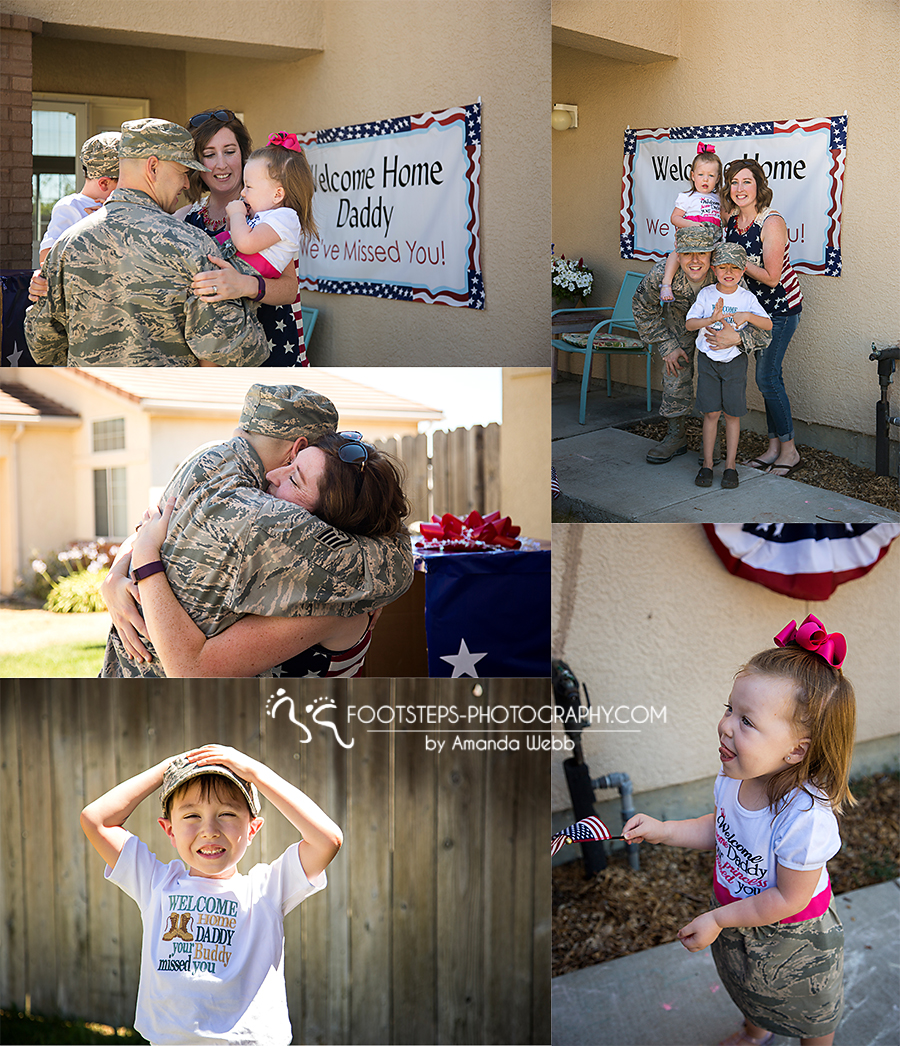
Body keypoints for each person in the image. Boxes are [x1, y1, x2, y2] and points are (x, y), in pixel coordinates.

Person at [623, 614, 854, 1046]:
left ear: (795, 751)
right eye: (731, 709)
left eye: (747, 721)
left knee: (811, 1011)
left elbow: (789, 897)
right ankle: (754, 1031)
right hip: (734, 914)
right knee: (748, 987)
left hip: (792, 937)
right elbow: (722, 828)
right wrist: (664, 830)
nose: (727, 724)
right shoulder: (733, 777)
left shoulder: (804, 817)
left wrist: (718, 918)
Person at [100, 384, 413, 678]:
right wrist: (117, 572)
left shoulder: (335, 593)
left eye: (295, 477)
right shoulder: (289, 549)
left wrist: (144, 558)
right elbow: (158, 522)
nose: (274, 475)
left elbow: (192, 670)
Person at [80, 743, 342, 1045]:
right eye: (191, 816)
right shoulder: (156, 882)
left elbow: (328, 839)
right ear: (169, 830)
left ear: (253, 828)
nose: (210, 830)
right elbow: (95, 820)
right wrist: (168, 769)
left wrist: (255, 772)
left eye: (227, 814)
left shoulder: (266, 889)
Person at [24, 118, 270, 367]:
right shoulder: (191, 244)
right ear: (153, 167)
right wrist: (245, 297)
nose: (186, 184)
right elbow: (238, 351)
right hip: (164, 403)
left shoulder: (67, 245)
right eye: (183, 172)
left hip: (89, 402)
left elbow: (42, 347)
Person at [631, 224, 772, 465]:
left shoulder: (724, 275)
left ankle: (712, 444)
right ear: (678, 254)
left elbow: (758, 323)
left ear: (712, 255)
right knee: (675, 374)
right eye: (687, 254)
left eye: (702, 254)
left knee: (717, 384)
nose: (695, 261)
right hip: (678, 327)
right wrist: (666, 345)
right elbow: (642, 308)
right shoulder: (661, 274)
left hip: (718, 333)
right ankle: (676, 436)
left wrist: (738, 339)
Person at [179, 110, 311, 366]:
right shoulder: (185, 217)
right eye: (208, 154)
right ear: (196, 163)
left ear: (243, 154)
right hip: (207, 352)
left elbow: (288, 289)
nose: (221, 164)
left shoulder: (270, 214)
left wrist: (245, 285)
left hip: (270, 347)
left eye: (230, 151)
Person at [724, 158, 804, 477]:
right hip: (754, 312)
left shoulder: (771, 221)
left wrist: (734, 261)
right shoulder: (731, 222)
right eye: (734, 182)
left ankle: (790, 451)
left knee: (766, 378)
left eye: (747, 181)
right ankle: (774, 448)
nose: (740, 188)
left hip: (781, 309)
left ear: (759, 186)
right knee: (771, 378)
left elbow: (772, 277)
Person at [686, 242, 772, 489]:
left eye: (735, 267)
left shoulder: (746, 298)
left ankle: (731, 466)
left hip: (734, 362)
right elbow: (689, 324)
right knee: (711, 413)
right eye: (723, 267)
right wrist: (709, 319)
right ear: (714, 270)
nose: (729, 272)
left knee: (732, 414)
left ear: (743, 271)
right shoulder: (707, 295)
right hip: (709, 362)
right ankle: (708, 465)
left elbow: (767, 325)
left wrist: (746, 316)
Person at [38, 131, 120, 264]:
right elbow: (46, 259)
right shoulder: (70, 207)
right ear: (104, 183)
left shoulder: (119, 206)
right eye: (124, 182)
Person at [660, 144, 725, 302]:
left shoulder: (719, 199)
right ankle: (666, 283)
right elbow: (675, 218)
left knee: (721, 260)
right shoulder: (687, 197)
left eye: (710, 175)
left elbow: (723, 221)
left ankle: (720, 292)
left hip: (711, 243)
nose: (705, 179)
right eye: (701, 174)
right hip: (690, 241)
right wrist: (690, 225)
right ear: (693, 175)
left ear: (717, 179)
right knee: (676, 254)